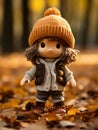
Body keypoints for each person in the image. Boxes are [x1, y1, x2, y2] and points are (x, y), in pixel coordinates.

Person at [20, 7, 78, 114]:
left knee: (58, 97)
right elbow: (32, 71)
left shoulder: (60, 64)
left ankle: (58, 106)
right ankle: (39, 106)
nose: (50, 49)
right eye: (43, 45)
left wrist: (71, 79)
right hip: (42, 86)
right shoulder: (39, 63)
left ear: (65, 48)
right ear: (36, 47)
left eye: (57, 46)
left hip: (58, 86)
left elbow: (67, 72)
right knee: (40, 97)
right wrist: (27, 78)